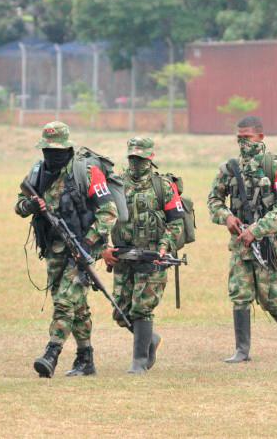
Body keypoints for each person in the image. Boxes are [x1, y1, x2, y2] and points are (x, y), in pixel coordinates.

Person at [15, 121, 118, 378]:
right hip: (53, 247)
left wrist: (87, 243)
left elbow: (109, 213)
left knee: (64, 301)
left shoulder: (87, 172)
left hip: (83, 246)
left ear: (68, 148)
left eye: (57, 150)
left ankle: (52, 353)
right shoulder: (38, 172)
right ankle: (86, 358)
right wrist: (30, 205)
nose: (52, 155)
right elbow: (18, 206)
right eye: (48, 150)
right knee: (76, 304)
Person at [207, 116, 277, 363]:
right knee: (239, 293)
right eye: (239, 138)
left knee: (271, 297)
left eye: (247, 138)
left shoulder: (275, 167)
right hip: (240, 242)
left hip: (268, 243)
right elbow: (213, 200)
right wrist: (226, 217)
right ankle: (242, 350)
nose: (243, 143)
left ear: (260, 137)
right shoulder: (229, 169)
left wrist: (256, 230)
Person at [102, 137, 184, 374]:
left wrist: (164, 247)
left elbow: (176, 223)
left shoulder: (163, 186)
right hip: (123, 257)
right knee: (121, 313)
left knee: (142, 309)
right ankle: (151, 339)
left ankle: (139, 361)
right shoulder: (115, 183)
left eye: (140, 158)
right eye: (132, 158)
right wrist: (104, 248)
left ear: (150, 158)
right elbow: (102, 215)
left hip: (152, 256)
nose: (136, 162)